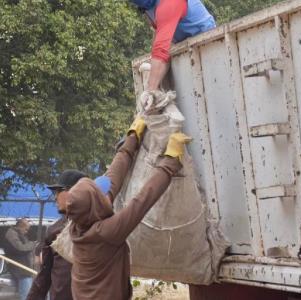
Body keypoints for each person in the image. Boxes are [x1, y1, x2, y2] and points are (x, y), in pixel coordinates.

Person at [53, 116, 191, 300]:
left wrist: (133, 137)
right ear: (96, 201)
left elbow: (113, 177)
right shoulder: (108, 232)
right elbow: (142, 200)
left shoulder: (79, 224)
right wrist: (171, 161)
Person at [26, 170, 87, 300]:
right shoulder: (55, 231)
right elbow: (44, 277)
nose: (55, 197)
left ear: (75, 192)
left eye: (59, 191)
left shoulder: (99, 228)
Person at [131, 0, 216, 92]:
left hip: (207, 46)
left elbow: (161, 50)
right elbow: (160, 34)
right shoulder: (148, 6)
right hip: (182, 46)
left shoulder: (170, 3)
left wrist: (150, 91)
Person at [4, 218, 36, 300]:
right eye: (26, 229)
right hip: (21, 270)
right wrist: (32, 244)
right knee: (26, 296)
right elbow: (20, 248)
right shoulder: (12, 234)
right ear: (20, 226)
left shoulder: (19, 234)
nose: (26, 232)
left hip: (25, 270)